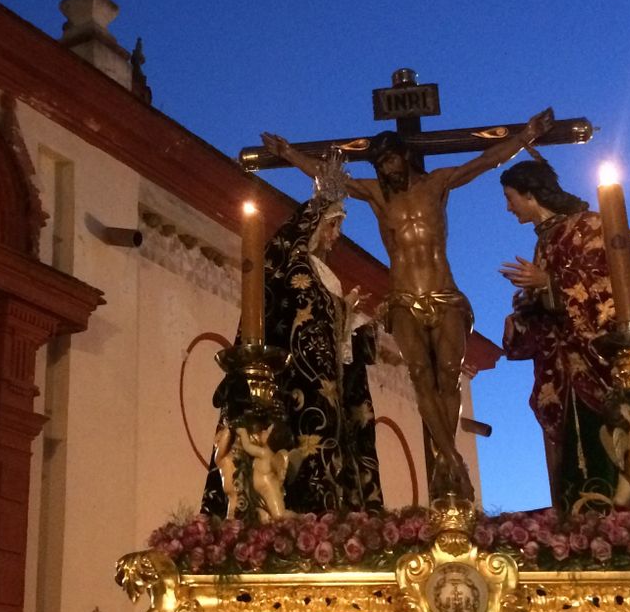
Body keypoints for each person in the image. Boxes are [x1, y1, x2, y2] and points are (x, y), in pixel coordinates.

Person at [263, 110, 552, 499]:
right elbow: (329, 176)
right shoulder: (378, 195)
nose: (386, 169)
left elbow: (484, 161)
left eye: (390, 160)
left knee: (448, 376)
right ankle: (453, 462)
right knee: (420, 377)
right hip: (402, 297)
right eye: (380, 164)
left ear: (404, 156)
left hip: (444, 293)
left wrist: (525, 136)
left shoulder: (437, 184)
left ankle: (446, 456)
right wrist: (288, 153)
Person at [498, 157, 630, 512]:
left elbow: (609, 286)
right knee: (574, 447)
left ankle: (628, 518)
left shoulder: (588, 227)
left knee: (621, 434)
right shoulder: (545, 240)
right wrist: (525, 314)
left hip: (601, 362)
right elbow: (555, 311)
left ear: (530, 193)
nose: (508, 207)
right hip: (566, 369)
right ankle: (585, 522)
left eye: (510, 197)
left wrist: (548, 283)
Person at [202, 159, 384, 518]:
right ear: (315, 225)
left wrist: (351, 317)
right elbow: (302, 316)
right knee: (306, 446)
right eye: (332, 226)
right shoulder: (299, 267)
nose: (336, 236)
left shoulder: (325, 274)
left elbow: (327, 327)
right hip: (301, 379)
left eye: (338, 227)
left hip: (326, 381)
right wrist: (340, 310)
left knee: (334, 441)